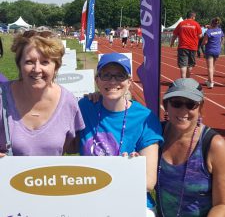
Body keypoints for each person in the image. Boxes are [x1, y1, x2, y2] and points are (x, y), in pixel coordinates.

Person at [78, 53, 163, 216]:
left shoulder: (145, 118)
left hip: (132, 198)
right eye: (106, 75)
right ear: (97, 80)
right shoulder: (85, 107)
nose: (112, 81)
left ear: (129, 82)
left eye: (120, 76)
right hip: (90, 196)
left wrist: (129, 168)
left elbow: (148, 182)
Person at [0, 30, 85, 156]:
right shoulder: (2, 97)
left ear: (56, 66)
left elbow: (71, 148)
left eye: (45, 62)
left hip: (48, 176)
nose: (37, 69)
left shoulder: (68, 101)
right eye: (29, 62)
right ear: (19, 64)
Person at [156, 78, 225, 217]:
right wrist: (100, 100)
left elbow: (222, 204)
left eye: (191, 104)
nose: (183, 110)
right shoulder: (156, 135)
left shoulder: (214, 145)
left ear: (201, 107)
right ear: (166, 105)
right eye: (176, 103)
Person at [170, 11, 202, 78]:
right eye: (194, 17)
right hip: (193, 47)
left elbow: (174, 34)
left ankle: (183, 79)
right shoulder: (196, 24)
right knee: (190, 64)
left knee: (183, 64)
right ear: (192, 17)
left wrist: (172, 42)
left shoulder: (181, 24)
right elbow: (200, 36)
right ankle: (188, 78)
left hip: (183, 46)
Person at [202, 17, 224, 89]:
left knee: (210, 67)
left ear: (212, 23)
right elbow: (223, 38)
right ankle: (209, 80)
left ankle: (211, 82)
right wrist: (220, 45)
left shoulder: (208, 32)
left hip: (210, 50)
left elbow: (205, 42)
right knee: (213, 66)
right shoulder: (220, 30)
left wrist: (201, 44)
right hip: (217, 50)